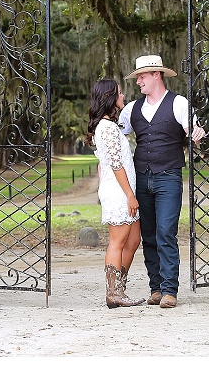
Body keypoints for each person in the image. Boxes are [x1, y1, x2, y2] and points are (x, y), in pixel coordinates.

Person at [118, 55, 206, 309]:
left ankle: (169, 290)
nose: (138, 82)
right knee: (148, 235)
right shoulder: (131, 109)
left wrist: (197, 135)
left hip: (168, 177)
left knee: (166, 232)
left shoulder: (179, 103)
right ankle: (155, 287)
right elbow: (117, 138)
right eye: (137, 77)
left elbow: (193, 132)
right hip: (141, 178)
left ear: (156, 75)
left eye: (142, 77)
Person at [85, 78, 145, 308]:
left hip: (125, 188)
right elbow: (116, 164)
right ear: (110, 97)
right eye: (119, 93)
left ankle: (119, 287)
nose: (123, 96)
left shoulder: (111, 126)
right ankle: (113, 292)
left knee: (133, 240)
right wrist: (130, 195)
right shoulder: (106, 128)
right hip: (120, 192)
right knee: (118, 241)